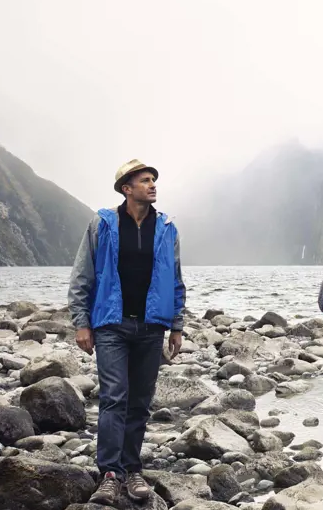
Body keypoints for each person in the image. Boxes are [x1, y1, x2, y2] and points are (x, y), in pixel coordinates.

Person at [68, 159, 186, 505]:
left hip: (151, 328)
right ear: (126, 188)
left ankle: (132, 468)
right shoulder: (103, 224)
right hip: (110, 325)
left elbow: (175, 280)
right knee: (114, 396)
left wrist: (176, 325)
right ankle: (109, 473)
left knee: (140, 401)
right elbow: (83, 275)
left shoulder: (166, 229)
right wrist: (81, 322)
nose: (152, 185)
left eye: (153, 180)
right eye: (145, 180)